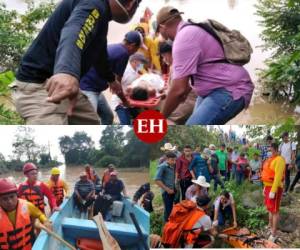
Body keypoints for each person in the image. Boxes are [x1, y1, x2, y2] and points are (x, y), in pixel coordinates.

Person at [11, 0, 142, 125]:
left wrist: (112, 80)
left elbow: (100, 55)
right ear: (132, 5)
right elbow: (75, 30)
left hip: (67, 87)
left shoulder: (102, 19)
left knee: (91, 122)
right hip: (37, 85)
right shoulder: (94, 4)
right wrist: (67, 71)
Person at [156, 6, 254, 125]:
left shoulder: (183, 38)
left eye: (158, 31)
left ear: (162, 27)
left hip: (230, 89)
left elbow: (178, 90)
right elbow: (185, 86)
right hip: (210, 90)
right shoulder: (191, 29)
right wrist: (180, 93)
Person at [79, 31, 142, 124]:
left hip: (96, 89)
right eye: (137, 49)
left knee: (107, 116)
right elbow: (117, 85)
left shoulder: (115, 47)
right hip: (87, 89)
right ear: (132, 45)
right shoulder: (124, 54)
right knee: (89, 122)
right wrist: (125, 101)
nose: (135, 52)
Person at [0, 178, 52, 249]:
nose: (9, 201)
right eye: (4, 199)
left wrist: (45, 221)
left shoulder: (27, 206)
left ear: (16, 195)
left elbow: (39, 214)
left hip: (28, 246)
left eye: (12, 197)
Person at [158, 41, 197, 124]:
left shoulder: (179, 66)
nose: (164, 60)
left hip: (188, 101)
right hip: (184, 99)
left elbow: (180, 90)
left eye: (164, 56)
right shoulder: (174, 65)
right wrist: (166, 91)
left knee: (168, 119)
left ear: (172, 53)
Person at [111, 52, 148, 125]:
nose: (142, 65)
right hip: (120, 102)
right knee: (125, 124)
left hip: (131, 101)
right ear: (135, 61)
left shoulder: (137, 68)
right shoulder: (125, 71)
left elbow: (140, 74)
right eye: (142, 62)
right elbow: (114, 86)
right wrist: (123, 96)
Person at [261, 143, 285, 242]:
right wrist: (264, 187)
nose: (268, 152)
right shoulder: (269, 160)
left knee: (275, 211)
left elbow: (278, 177)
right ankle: (270, 227)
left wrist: (273, 190)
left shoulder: (279, 160)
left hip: (275, 188)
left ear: (275, 149)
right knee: (270, 209)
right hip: (267, 187)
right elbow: (266, 174)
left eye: (270, 150)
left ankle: (274, 234)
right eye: (268, 150)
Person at [154, 152, 176, 222]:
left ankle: (170, 224)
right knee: (168, 210)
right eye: (172, 160)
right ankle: (167, 226)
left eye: (175, 160)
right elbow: (157, 180)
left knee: (172, 208)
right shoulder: (162, 167)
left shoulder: (173, 166)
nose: (174, 162)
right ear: (167, 159)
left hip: (173, 191)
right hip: (167, 192)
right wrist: (167, 190)